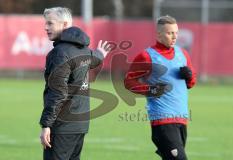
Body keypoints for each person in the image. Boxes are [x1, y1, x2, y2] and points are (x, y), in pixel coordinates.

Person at [39, 7, 111, 160]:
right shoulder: (83, 49)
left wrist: (46, 124)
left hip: (63, 125)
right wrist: (100, 54)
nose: (46, 27)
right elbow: (94, 58)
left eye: (50, 23)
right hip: (80, 125)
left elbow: (58, 92)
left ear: (65, 24)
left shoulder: (60, 53)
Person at [124, 15, 196, 160]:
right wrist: (151, 90)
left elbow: (191, 83)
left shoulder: (183, 54)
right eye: (170, 33)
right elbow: (129, 81)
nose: (174, 36)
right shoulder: (146, 56)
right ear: (158, 34)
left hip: (181, 118)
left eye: (176, 32)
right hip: (162, 120)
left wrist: (189, 77)